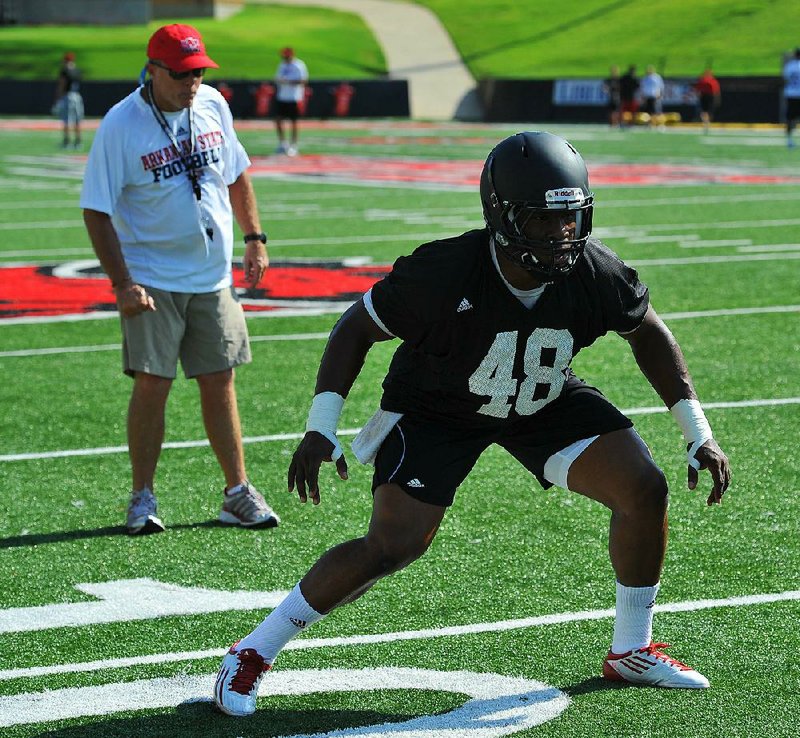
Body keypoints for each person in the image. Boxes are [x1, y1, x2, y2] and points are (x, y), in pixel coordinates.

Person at [213, 131, 731, 716]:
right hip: (437, 408)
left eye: (571, 217)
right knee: (393, 545)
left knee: (643, 487)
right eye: (545, 220)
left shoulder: (593, 269)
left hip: (540, 395)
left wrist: (698, 431)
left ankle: (630, 650)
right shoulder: (444, 270)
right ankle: (253, 651)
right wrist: (319, 425)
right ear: (502, 215)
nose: (564, 235)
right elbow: (354, 328)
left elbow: (649, 334)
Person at [80, 24, 280, 536]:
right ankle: (142, 497)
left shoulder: (212, 104)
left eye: (198, 72)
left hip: (212, 275)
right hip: (151, 276)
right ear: (153, 70)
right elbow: (96, 210)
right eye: (182, 73)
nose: (193, 82)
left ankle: (237, 492)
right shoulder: (121, 125)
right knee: (153, 383)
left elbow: (236, 173)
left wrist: (254, 236)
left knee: (220, 379)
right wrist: (121, 282)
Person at [273, 47, 308, 156]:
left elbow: (303, 80)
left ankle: (294, 145)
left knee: (294, 122)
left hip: (294, 97)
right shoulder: (282, 65)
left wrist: (288, 81)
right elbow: (277, 78)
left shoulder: (299, 65)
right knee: (278, 120)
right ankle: (282, 143)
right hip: (282, 96)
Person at [54, 52, 84, 149]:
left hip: (68, 96)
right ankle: (78, 141)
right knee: (77, 120)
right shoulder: (77, 70)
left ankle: (67, 141)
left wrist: (58, 99)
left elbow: (62, 85)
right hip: (77, 96)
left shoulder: (65, 71)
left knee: (66, 119)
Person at [782, 48, 800, 148]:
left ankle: (789, 139)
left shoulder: (789, 66)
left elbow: (786, 79)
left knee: (790, 118)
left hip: (791, 94)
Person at [693, 69, 721, 133]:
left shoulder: (711, 81)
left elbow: (716, 90)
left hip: (708, 96)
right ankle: (706, 122)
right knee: (705, 111)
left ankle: (706, 122)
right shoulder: (704, 80)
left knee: (707, 111)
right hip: (705, 96)